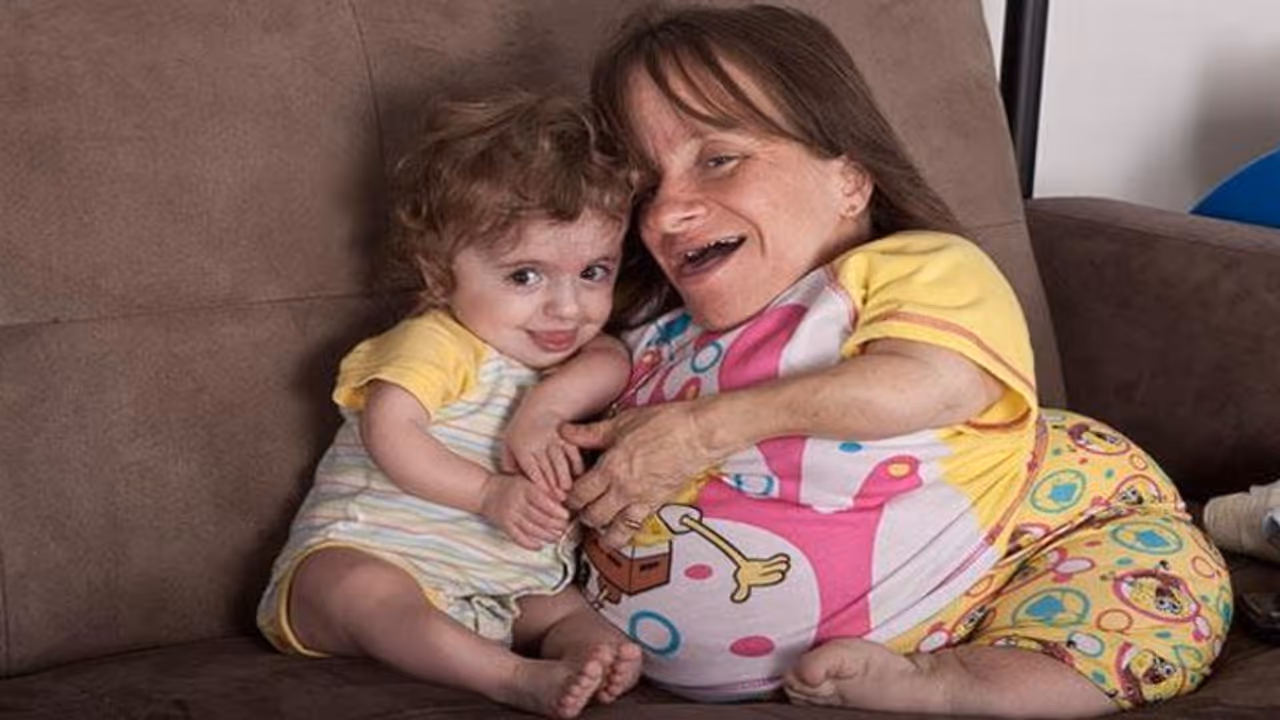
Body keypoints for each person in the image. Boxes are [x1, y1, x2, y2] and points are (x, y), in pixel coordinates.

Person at [558, 4, 1233, 716]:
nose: (666, 214)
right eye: (644, 187)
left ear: (849, 180)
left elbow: (936, 382)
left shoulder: (908, 269)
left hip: (1033, 535)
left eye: (718, 160)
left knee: (1158, 588)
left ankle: (952, 680)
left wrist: (702, 431)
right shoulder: (656, 329)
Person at [256, 92, 642, 719]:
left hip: (497, 588)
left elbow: (613, 359)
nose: (567, 308)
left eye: (594, 272)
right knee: (367, 593)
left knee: (565, 611)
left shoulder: (566, 355)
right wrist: (489, 494)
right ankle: (511, 677)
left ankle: (592, 656)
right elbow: (390, 428)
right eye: (525, 276)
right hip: (373, 555)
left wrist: (544, 408)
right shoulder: (439, 341)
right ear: (440, 273)